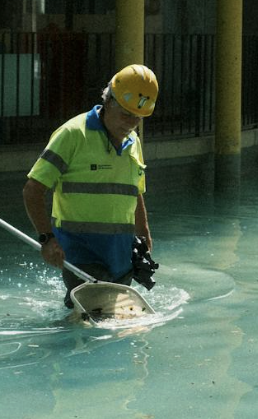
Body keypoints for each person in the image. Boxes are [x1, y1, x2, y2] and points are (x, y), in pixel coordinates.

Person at [23, 64, 158, 308]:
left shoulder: (133, 141)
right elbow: (33, 189)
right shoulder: (72, 134)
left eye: (138, 118)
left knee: (113, 318)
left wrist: (143, 233)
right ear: (109, 101)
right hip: (81, 252)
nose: (131, 123)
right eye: (126, 114)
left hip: (121, 253)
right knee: (93, 312)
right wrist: (47, 239)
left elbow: (134, 191)